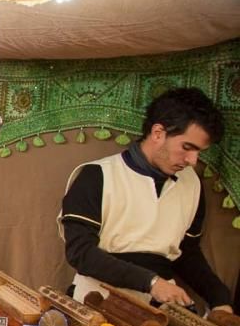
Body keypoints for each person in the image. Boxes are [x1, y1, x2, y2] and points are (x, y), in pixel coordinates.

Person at [59, 87, 233, 313]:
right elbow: (81, 254)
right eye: (187, 147)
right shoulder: (97, 176)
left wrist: (219, 299)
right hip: (97, 301)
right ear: (158, 132)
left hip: (161, 309)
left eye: (199, 152)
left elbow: (186, 253)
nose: (192, 160)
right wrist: (151, 282)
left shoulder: (192, 183)